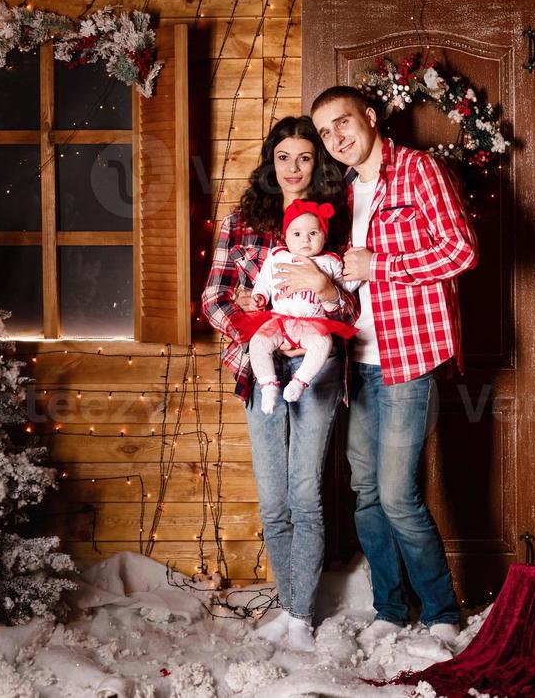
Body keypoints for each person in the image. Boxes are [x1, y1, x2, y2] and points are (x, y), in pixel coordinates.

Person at [310, 85, 478, 648]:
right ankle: (389, 605)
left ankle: (441, 610)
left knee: (397, 494)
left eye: (342, 123)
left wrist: (382, 263)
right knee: (364, 492)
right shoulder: (343, 193)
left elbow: (461, 250)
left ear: (370, 117)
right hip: (357, 362)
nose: (336, 138)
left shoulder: (418, 171)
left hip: (409, 356)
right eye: (325, 132)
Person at [200, 117, 356, 653]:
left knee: (305, 492)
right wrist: (257, 322)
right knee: (273, 499)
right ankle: (291, 609)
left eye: (305, 157)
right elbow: (214, 300)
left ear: (319, 164)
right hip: (258, 367)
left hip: (316, 366)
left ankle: (300, 616)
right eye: (284, 157)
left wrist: (324, 291)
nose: (294, 168)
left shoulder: (339, 224)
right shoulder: (240, 222)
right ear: (271, 162)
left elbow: (354, 305)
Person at [236, 200, 361, 414]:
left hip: (312, 325)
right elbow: (265, 283)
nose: (305, 239)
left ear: (324, 235)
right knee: (258, 342)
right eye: (297, 234)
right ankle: (268, 385)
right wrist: (258, 296)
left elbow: (346, 285)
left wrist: (358, 272)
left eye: (313, 233)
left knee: (324, 342)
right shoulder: (277, 256)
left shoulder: (330, 262)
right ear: (285, 236)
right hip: (280, 320)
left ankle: (300, 381)